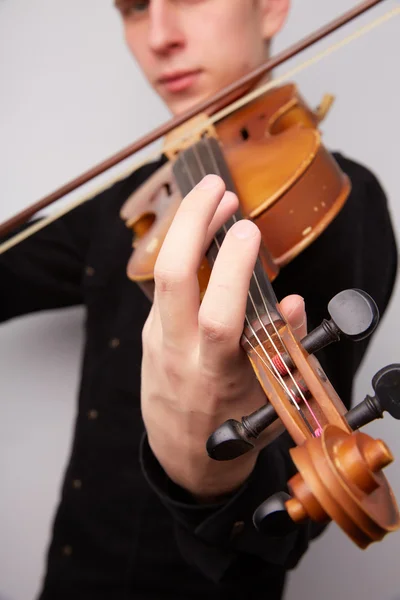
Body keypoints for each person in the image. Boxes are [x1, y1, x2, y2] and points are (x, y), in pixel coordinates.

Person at [0, 1, 397, 599]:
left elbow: (274, 533)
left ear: (269, 9)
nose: (160, 37)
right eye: (135, 9)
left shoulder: (333, 199)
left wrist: (208, 475)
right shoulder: (132, 204)